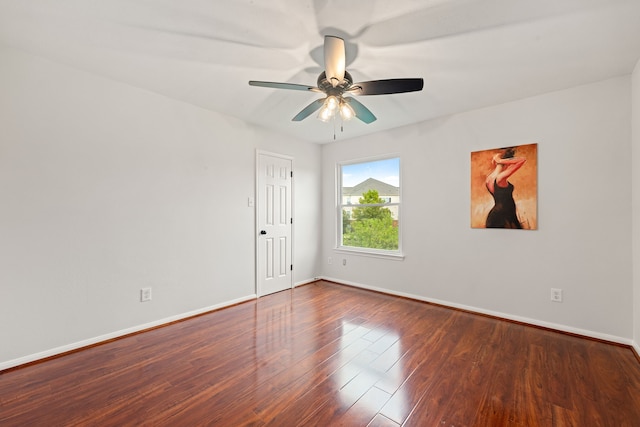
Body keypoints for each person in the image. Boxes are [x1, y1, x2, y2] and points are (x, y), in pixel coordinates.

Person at [485, 147, 526, 228]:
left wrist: (498, 159)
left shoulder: (489, 179)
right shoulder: (500, 178)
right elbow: (522, 160)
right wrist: (500, 160)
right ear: (507, 163)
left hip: (497, 214)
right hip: (505, 215)